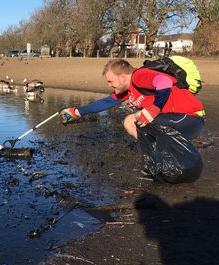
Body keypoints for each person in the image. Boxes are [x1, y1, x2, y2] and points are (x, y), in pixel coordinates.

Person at [60, 59, 205, 181]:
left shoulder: (139, 76)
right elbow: (106, 103)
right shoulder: (128, 90)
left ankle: (157, 161)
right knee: (138, 121)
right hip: (176, 120)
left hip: (190, 117)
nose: (109, 85)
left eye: (111, 81)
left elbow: (164, 81)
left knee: (131, 120)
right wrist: (77, 112)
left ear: (123, 77)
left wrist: (155, 107)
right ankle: (159, 163)